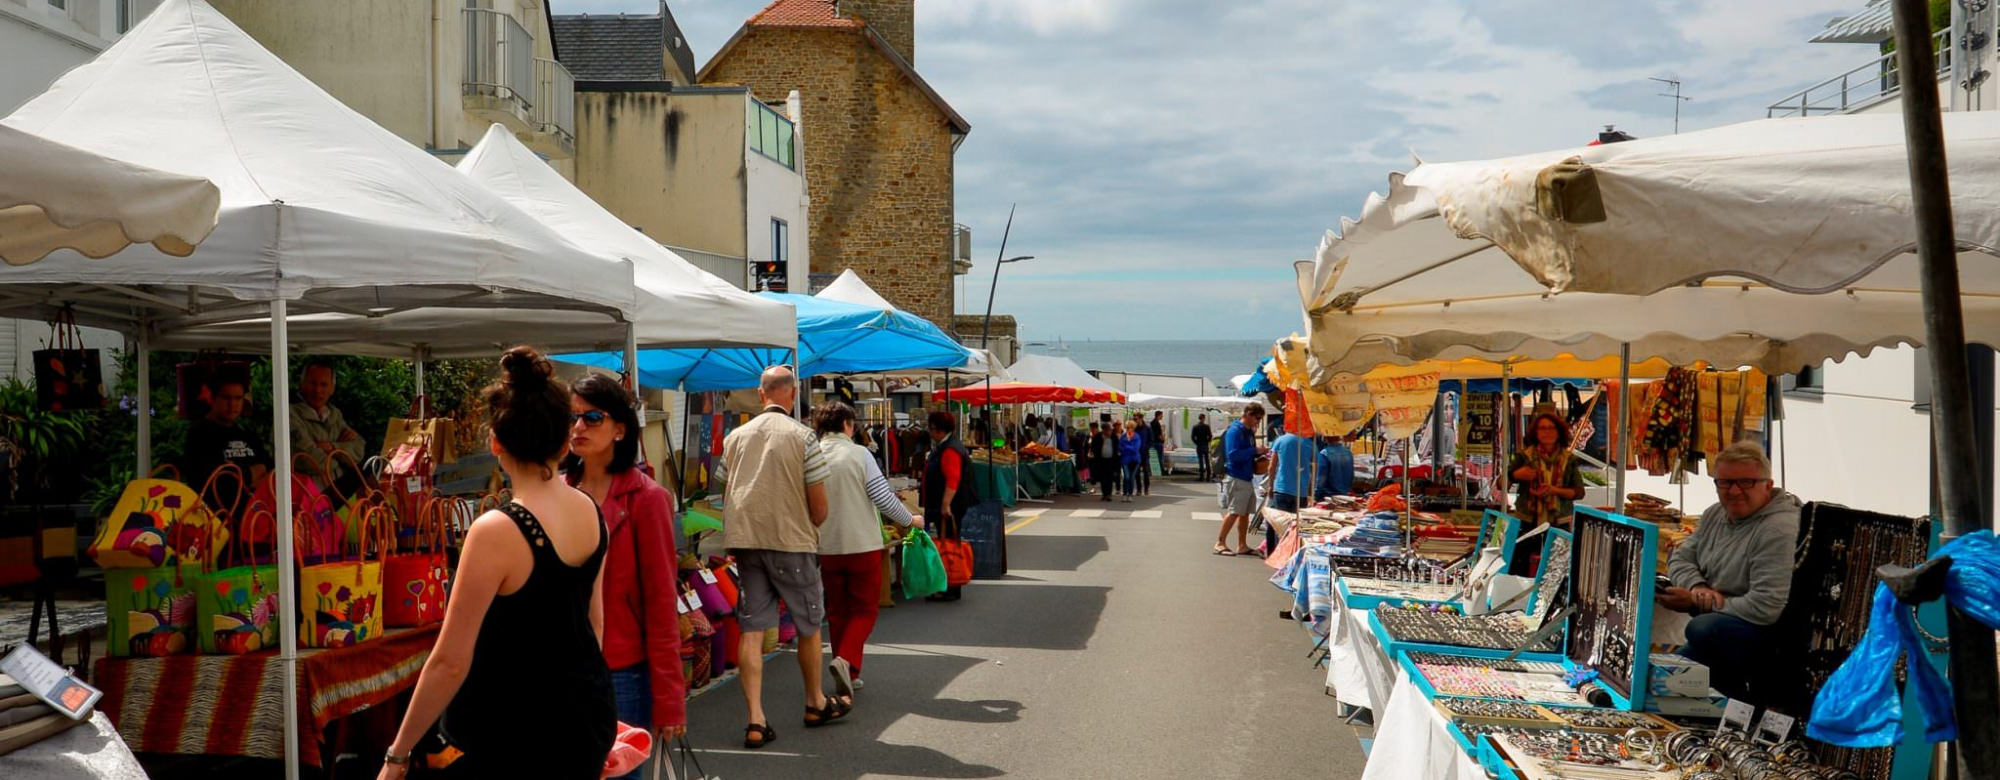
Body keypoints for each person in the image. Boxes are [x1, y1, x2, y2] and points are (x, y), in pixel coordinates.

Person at [379, 347, 612, 780]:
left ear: (495, 442)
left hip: (513, 734)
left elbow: (450, 660)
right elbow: (593, 625)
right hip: (585, 722)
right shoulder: (591, 511)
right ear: (564, 443)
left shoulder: (495, 532)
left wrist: (397, 755)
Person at [562, 374, 683, 778]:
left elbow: (662, 602)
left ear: (620, 429)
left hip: (622, 671)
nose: (578, 427)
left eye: (592, 417)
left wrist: (669, 700)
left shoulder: (646, 499)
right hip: (560, 668)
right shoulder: (556, 494)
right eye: (573, 417)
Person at [718, 366, 842, 749]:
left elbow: (725, 484)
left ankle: (755, 719)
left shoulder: (735, 437)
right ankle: (814, 701)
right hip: (792, 542)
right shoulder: (804, 437)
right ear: (792, 395)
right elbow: (819, 506)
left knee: (752, 629)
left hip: (747, 542)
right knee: (808, 624)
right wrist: (811, 522)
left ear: (761, 394)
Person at [1657, 441, 1800, 701]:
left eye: (1746, 482)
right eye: (1724, 482)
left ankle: (1740, 701)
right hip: (1724, 623)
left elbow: (1766, 607)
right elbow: (1680, 558)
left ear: (1767, 485)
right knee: (1664, 683)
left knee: (1703, 628)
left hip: (1763, 633)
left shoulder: (1778, 529)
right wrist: (1698, 589)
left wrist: (1699, 602)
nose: (1734, 491)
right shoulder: (1716, 513)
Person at [812, 402, 919, 699]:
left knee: (836, 610)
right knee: (864, 609)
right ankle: (846, 661)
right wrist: (910, 519)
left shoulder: (811, 454)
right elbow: (883, 498)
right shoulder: (860, 454)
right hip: (862, 544)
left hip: (826, 545)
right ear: (848, 424)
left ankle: (848, 672)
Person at [1507, 411, 1587, 574]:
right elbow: (1502, 483)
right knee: (1521, 568)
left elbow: (1579, 492)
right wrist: (1516, 475)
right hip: (1527, 521)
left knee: (1556, 571)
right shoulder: (1524, 456)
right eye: (1542, 428)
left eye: (1551, 428)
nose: (1547, 432)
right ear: (1535, 433)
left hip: (1559, 521)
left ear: (1559, 432)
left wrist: (1554, 490)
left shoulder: (1568, 459)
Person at [182, 375, 270, 513]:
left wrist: (238, 472)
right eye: (226, 398)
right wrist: (251, 473)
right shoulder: (199, 434)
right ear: (213, 398)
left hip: (254, 518)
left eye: (238, 398)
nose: (233, 404)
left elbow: (269, 468)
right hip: (216, 520)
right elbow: (214, 479)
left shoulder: (247, 433)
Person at [923, 411, 977, 601]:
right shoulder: (948, 445)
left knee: (949, 544)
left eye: (930, 428)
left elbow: (953, 479)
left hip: (949, 504)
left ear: (937, 429)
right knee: (949, 542)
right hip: (949, 503)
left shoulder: (950, 449)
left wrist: (945, 505)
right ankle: (949, 584)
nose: (929, 431)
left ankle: (950, 586)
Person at [291, 362, 367, 496]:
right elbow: (307, 459)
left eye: (324, 385)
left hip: (340, 492)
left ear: (332, 388)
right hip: (308, 495)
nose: (318, 390)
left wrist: (330, 447)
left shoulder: (334, 414)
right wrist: (340, 454)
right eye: (313, 383)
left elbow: (359, 450)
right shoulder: (291, 414)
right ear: (302, 385)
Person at [1215, 403, 1267, 557]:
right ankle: (1220, 542)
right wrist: (1254, 450)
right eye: (1257, 418)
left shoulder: (1247, 431)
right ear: (1249, 414)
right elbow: (1233, 454)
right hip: (1236, 476)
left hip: (1246, 475)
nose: (1257, 422)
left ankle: (1242, 544)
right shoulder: (1235, 431)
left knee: (1244, 513)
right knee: (1235, 511)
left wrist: (1259, 454)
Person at [1315, 434, 1355, 499]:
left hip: (1329, 496)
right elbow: (1351, 475)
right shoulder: (1348, 453)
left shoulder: (1324, 453)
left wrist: (1316, 495)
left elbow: (1321, 478)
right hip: (1345, 494)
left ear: (1326, 438)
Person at [1088, 420, 1119, 502]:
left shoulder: (1113, 437)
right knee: (1102, 478)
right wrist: (1096, 455)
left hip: (1111, 460)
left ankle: (1109, 494)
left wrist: (1116, 458)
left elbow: (1117, 447)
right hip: (1101, 460)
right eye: (1107, 430)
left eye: (1110, 430)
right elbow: (1093, 447)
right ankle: (1104, 494)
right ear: (1104, 430)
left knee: (1109, 478)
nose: (1109, 431)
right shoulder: (1098, 437)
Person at [1118, 420, 1144, 502]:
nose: (1128, 429)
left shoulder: (1137, 437)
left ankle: (1130, 494)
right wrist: (1129, 446)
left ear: (1133, 428)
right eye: (1127, 427)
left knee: (1132, 478)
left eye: (1130, 427)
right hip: (1125, 460)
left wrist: (1126, 446)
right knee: (1126, 477)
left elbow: (1136, 448)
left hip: (1135, 460)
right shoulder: (1123, 437)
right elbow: (1120, 447)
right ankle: (1125, 494)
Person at [1131, 413, 1154, 495]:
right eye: (1134, 419)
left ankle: (1146, 488)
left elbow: (1151, 440)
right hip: (1136, 454)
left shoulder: (1147, 428)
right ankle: (1139, 489)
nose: (1134, 420)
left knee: (1146, 472)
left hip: (1144, 453)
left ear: (1141, 418)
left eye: (1136, 419)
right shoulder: (1133, 429)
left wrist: (1146, 447)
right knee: (1136, 472)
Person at [1191, 414, 1215, 481]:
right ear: (1204, 418)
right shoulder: (1207, 426)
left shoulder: (1195, 427)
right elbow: (1210, 436)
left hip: (1199, 445)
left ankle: (1201, 477)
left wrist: (1197, 443)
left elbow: (1193, 437)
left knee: (1201, 461)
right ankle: (1208, 476)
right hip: (1205, 445)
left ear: (1199, 418)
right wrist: (1207, 441)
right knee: (1207, 461)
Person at [1149, 411, 1171, 476]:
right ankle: (1162, 471)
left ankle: (1155, 471)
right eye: (1161, 415)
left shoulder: (1152, 422)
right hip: (1158, 442)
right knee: (1160, 457)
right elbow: (1158, 434)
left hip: (1153, 442)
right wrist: (1163, 439)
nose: (1162, 416)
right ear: (1158, 415)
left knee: (1155, 458)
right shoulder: (1156, 423)